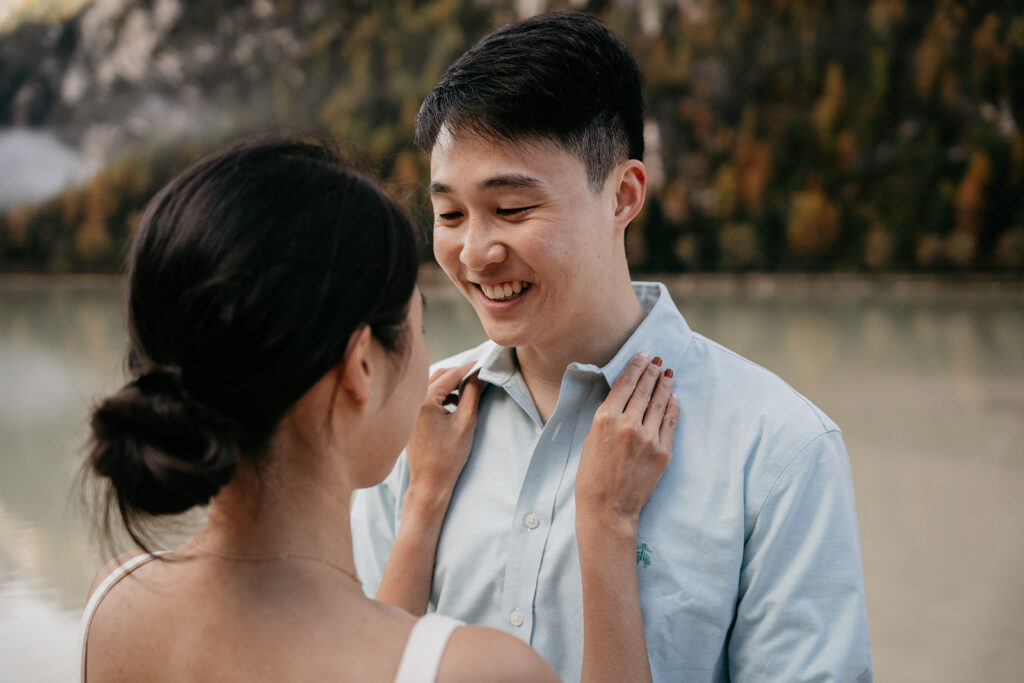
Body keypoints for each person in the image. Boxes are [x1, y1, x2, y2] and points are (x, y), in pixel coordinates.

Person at [352, 11, 873, 682]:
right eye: (449, 214)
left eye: (511, 209)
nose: (475, 251)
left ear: (623, 194)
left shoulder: (778, 448)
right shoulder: (411, 423)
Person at [80, 133, 677, 682]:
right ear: (363, 364)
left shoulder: (115, 603)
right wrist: (605, 522)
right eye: (417, 321)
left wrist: (421, 504)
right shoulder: (481, 670)